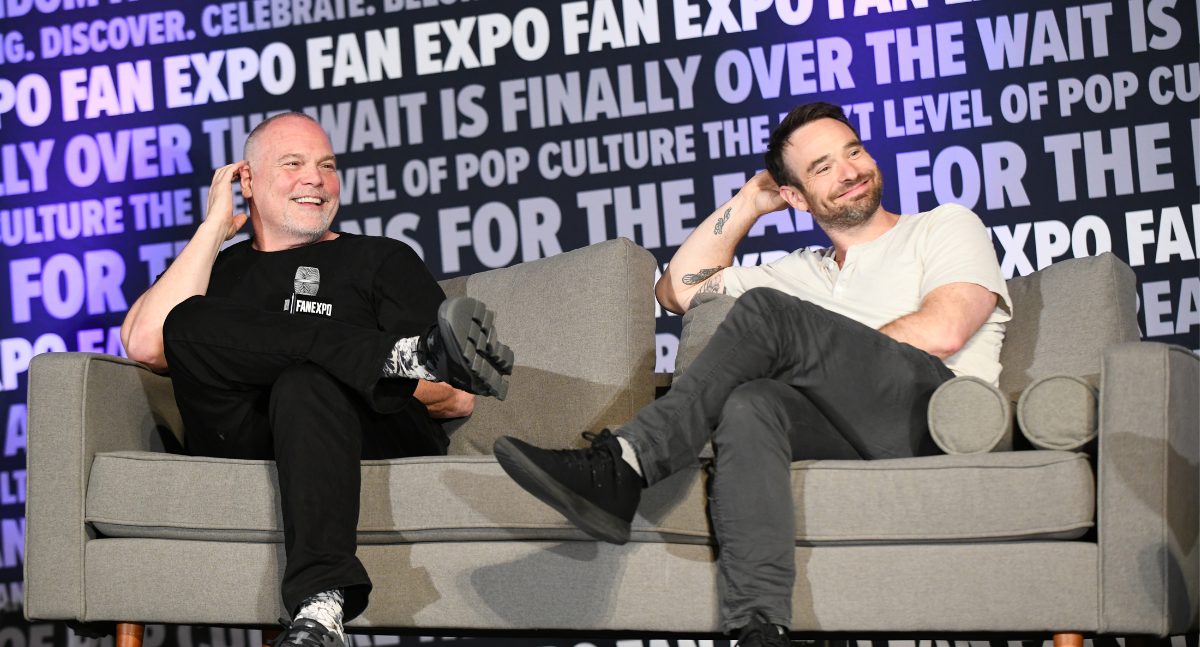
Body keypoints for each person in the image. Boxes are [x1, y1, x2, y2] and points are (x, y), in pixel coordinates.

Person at [492, 102, 1011, 646]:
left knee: (766, 313)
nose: (850, 171)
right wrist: (746, 202)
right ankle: (760, 626)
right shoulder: (797, 271)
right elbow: (677, 290)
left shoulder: (943, 225)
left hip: (937, 415)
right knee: (751, 404)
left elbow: (946, 328)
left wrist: (813, 349)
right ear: (793, 197)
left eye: (853, 151)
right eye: (822, 168)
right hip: (855, 433)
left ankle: (628, 461)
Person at [120, 112, 514, 647]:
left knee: (306, 383)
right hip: (243, 436)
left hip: (356, 436)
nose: (316, 178)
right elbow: (145, 343)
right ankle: (393, 356)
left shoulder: (381, 258)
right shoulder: (222, 272)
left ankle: (322, 611)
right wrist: (212, 230)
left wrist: (327, 371)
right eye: (293, 164)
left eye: (327, 165)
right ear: (248, 182)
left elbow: (456, 396)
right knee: (186, 321)